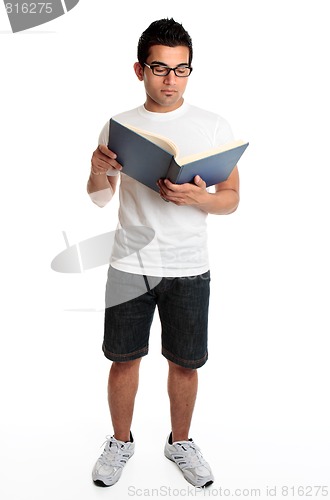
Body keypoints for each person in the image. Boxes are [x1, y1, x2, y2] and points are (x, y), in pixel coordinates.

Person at [87, 18, 240, 488]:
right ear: (140, 69)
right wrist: (97, 169)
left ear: (190, 71)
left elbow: (232, 198)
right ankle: (119, 442)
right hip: (130, 264)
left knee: (186, 363)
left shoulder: (213, 125)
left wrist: (199, 199)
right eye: (159, 68)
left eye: (181, 69)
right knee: (123, 358)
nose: (170, 80)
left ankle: (181, 442)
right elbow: (98, 197)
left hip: (190, 267)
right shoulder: (119, 126)